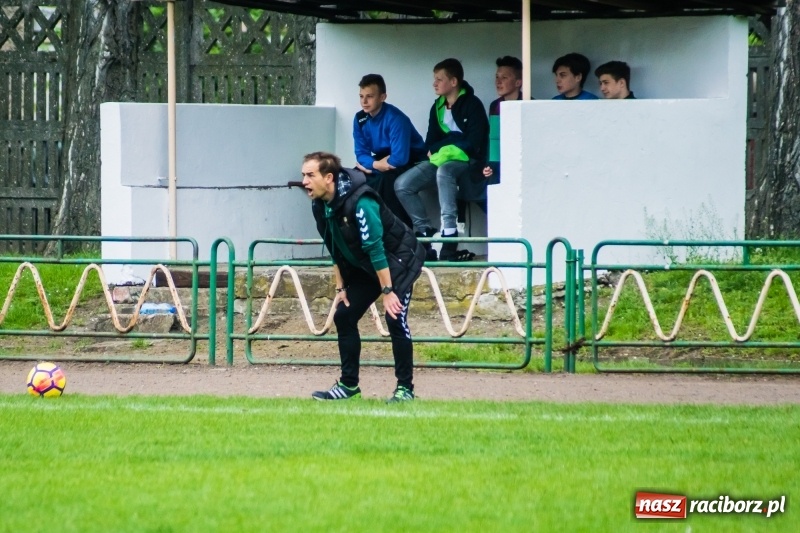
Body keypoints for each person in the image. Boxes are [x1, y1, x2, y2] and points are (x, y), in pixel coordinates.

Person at [302, 151, 425, 403]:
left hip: (397, 262)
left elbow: (376, 248)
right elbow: (334, 246)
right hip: (366, 267)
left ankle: (405, 389)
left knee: (394, 317)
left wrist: (388, 292)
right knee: (344, 315)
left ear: (328, 178)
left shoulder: (361, 201)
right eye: (303, 175)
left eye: (309, 175)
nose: (304, 181)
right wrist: (341, 288)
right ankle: (349, 388)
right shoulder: (319, 205)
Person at [394, 58, 489, 262]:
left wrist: (443, 146)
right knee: (402, 184)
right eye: (434, 79)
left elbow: (473, 143)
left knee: (444, 171)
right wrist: (447, 145)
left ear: (453, 82)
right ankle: (425, 231)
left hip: (468, 163)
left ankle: (450, 234)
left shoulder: (472, 104)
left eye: (439, 79)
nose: (434, 83)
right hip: (441, 160)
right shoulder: (437, 106)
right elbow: (430, 142)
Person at [353, 74, 427, 227]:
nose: (364, 102)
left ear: (382, 97)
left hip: (411, 160)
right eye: (361, 96)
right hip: (381, 161)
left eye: (370, 96)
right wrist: (374, 164)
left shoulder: (396, 118)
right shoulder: (359, 119)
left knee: (386, 181)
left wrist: (376, 165)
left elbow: (399, 158)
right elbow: (361, 154)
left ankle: (398, 232)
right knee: (353, 178)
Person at [483, 56, 523, 184]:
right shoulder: (495, 106)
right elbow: (493, 139)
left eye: (504, 78)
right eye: (497, 77)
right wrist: (489, 165)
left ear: (518, 82)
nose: (498, 82)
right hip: (498, 162)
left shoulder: (528, 103)